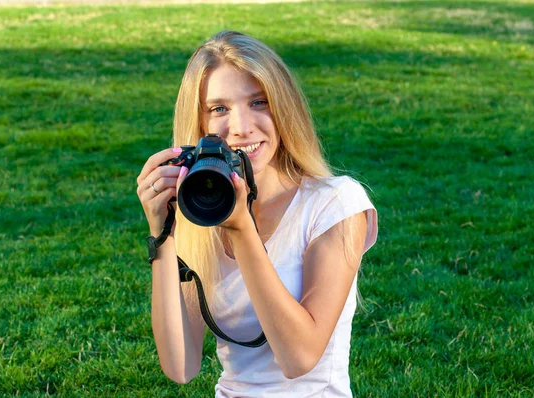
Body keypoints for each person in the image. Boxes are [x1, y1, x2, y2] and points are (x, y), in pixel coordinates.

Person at [136, 30, 378, 397]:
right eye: (219, 109)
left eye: (258, 102)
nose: (240, 127)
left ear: (283, 107)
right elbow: (180, 365)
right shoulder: (201, 210)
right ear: (200, 127)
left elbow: (299, 357)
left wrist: (241, 229)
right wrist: (163, 234)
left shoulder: (335, 204)